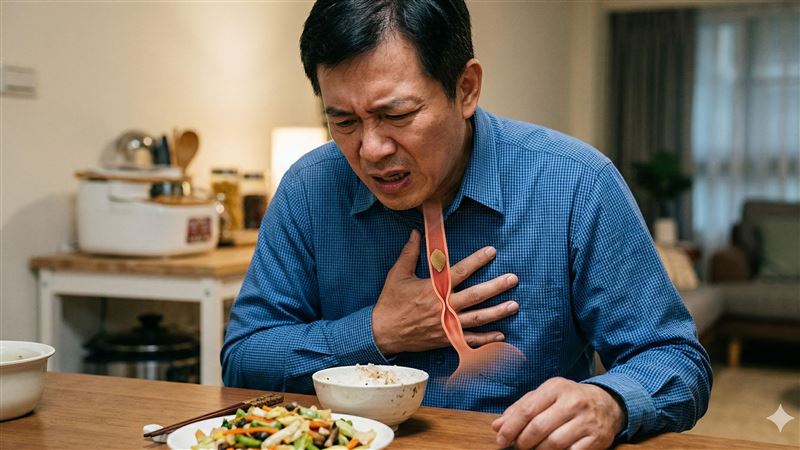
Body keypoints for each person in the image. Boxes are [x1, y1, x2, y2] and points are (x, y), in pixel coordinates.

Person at [222, 1, 712, 448]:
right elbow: (244, 358)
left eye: (397, 114)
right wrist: (377, 331)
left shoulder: (575, 183)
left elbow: (676, 359)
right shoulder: (310, 188)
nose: (371, 150)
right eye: (344, 122)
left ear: (466, 89)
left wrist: (610, 402)